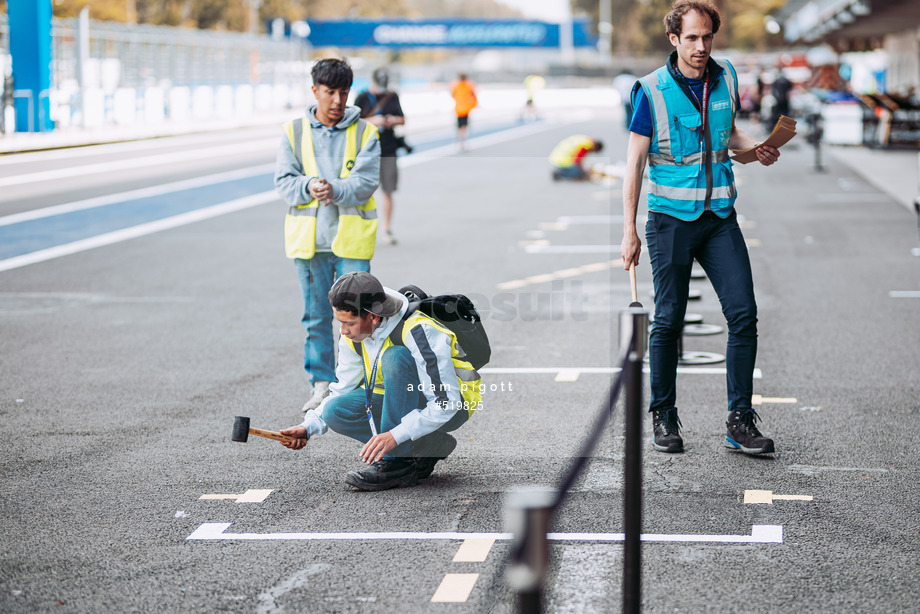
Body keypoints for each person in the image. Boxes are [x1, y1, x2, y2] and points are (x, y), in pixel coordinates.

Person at [620, 0, 780, 456]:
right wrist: (629, 230)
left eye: (707, 37)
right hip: (670, 221)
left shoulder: (726, 75)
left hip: (719, 218)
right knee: (668, 320)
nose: (700, 46)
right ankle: (663, 415)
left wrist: (758, 150)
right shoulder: (650, 90)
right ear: (674, 39)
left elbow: (729, 138)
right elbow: (633, 165)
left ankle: (739, 420)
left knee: (743, 313)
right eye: (691, 38)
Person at [278, 272, 481, 491]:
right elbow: (341, 389)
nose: (343, 331)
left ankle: (397, 464)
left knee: (395, 357)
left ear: (374, 316)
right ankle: (426, 444)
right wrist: (308, 427)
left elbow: (445, 403)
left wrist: (395, 435)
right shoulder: (352, 334)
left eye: (349, 323)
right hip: (403, 399)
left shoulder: (419, 330)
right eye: (340, 323)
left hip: (452, 405)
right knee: (335, 411)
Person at [273, 58, 381, 415]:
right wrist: (308, 185)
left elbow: (366, 183)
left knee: (359, 317)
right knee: (316, 316)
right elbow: (284, 183)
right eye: (330, 91)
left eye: (344, 92)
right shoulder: (293, 131)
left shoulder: (365, 132)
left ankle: (357, 385)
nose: (337, 100)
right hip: (309, 242)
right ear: (315, 90)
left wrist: (332, 188)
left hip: (351, 240)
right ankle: (321, 384)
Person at [354, 67, 405, 246]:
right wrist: (373, 121)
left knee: (388, 190)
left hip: (388, 149)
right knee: (364, 192)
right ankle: (362, 229)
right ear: (372, 80)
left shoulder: (392, 96)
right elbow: (352, 122)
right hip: (367, 151)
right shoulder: (361, 97)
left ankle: (387, 229)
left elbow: (403, 118)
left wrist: (392, 120)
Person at [451, 73, 477, 151]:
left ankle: (460, 139)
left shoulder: (456, 86)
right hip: (466, 109)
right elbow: (474, 95)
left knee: (459, 126)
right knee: (464, 126)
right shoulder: (469, 86)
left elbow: (453, 95)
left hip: (459, 109)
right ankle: (462, 140)